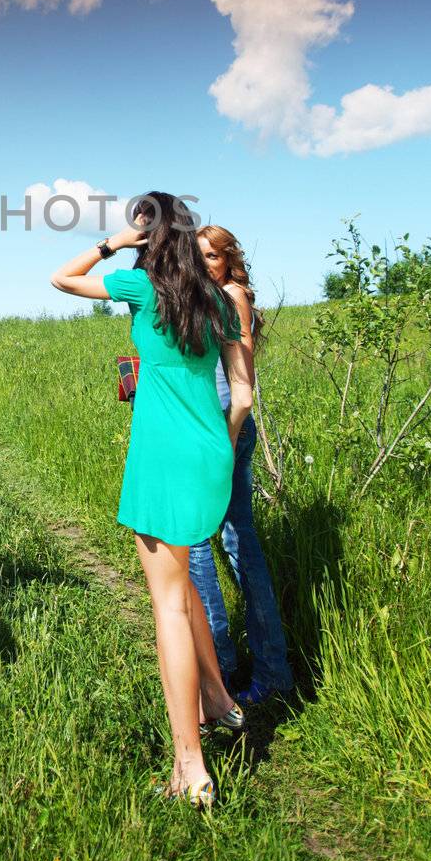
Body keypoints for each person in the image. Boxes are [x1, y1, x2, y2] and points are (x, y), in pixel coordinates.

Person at [51, 193, 254, 808]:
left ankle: (189, 765)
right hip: (210, 450)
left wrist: (117, 243)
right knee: (183, 578)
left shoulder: (143, 291)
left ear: (151, 237)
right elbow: (241, 391)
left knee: (166, 603)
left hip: (160, 457)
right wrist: (223, 443)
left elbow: (62, 277)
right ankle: (218, 699)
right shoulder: (218, 300)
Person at [190, 225, 293, 705]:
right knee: (231, 541)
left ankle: (235, 669)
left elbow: (241, 384)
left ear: (229, 260)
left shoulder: (230, 296)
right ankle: (249, 668)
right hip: (216, 427)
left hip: (225, 428)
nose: (204, 264)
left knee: (218, 543)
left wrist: (224, 443)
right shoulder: (212, 295)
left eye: (212, 256)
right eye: (198, 256)